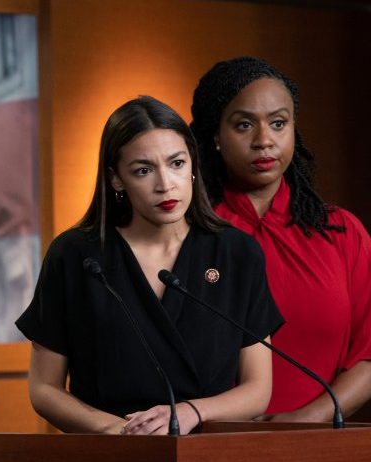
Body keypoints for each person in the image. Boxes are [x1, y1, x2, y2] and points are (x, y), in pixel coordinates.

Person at [16, 96, 283, 435]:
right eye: (143, 170)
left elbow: (258, 389)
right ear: (116, 179)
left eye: (176, 163)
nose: (165, 184)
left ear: (193, 165)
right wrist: (119, 432)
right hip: (109, 451)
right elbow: (44, 388)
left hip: (207, 452)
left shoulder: (237, 253)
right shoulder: (73, 255)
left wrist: (191, 412)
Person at [190, 56, 371, 421]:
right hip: (209, 443)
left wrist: (306, 419)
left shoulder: (341, 231)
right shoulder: (189, 233)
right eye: (244, 125)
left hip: (316, 444)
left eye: (278, 123)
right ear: (215, 136)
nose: (264, 140)